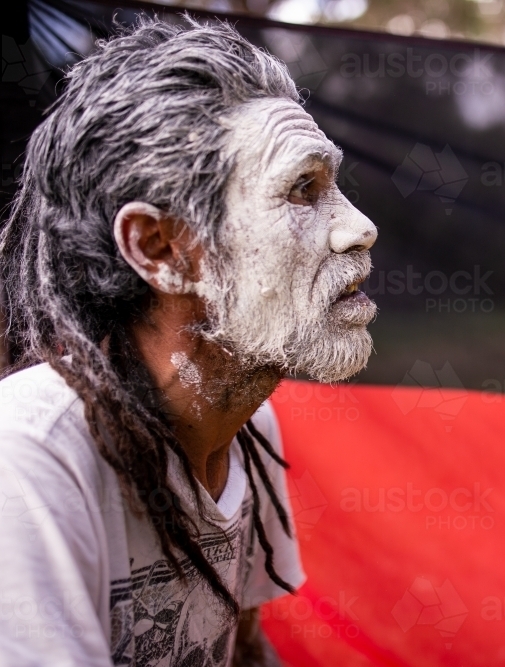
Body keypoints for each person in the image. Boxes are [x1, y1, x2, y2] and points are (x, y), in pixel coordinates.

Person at [0, 16, 377, 666]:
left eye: (334, 186)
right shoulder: (30, 459)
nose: (359, 228)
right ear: (161, 248)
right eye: (302, 190)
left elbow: (244, 652)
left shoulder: (247, 423)